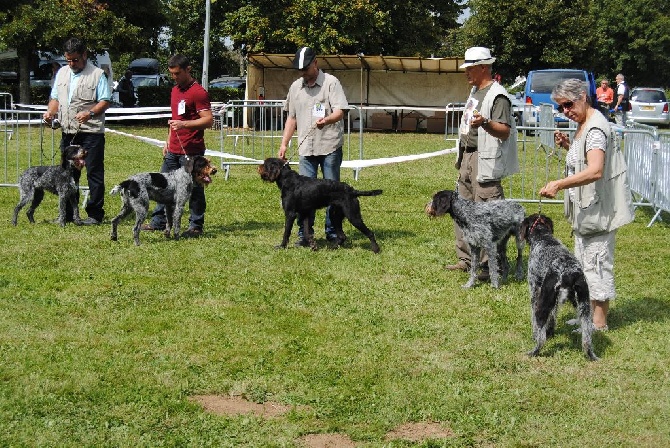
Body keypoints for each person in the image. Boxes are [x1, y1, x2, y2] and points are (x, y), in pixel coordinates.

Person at [539, 78, 635, 331]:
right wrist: (569, 146)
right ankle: (588, 317)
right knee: (585, 263)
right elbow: (587, 157)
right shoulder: (584, 125)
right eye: (560, 108)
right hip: (587, 210)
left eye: (568, 104)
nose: (565, 111)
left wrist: (559, 184)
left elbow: (595, 170)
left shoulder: (594, 129)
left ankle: (599, 323)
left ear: (583, 97)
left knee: (597, 265)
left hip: (598, 209)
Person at [446, 46, 519, 279]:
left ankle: (492, 266)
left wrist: (486, 122)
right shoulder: (475, 91)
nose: (466, 72)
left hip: (484, 159)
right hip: (468, 156)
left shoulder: (498, 95)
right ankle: (467, 259)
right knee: (462, 209)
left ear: (483, 67)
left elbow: (505, 131)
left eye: (470, 68)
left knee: (488, 213)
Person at [278, 46, 349, 246]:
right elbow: (291, 118)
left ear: (315, 63)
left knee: (332, 193)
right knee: (303, 196)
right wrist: (284, 143)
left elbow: (340, 111)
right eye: (300, 70)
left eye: (306, 69)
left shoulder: (331, 83)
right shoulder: (295, 87)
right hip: (305, 150)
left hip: (329, 146)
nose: (303, 73)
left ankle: (333, 233)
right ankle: (305, 235)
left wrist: (326, 120)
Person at [142, 54, 213, 238]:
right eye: (172, 73)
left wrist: (185, 125)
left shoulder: (198, 92)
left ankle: (195, 225)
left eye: (177, 73)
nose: (174, 77)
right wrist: (168, 140)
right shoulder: (174, 91)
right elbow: (175, 120)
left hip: (192, 150)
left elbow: (208, 120)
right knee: (162, 185)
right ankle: (159, 221)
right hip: (173, 149)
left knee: (194, 189)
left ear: (188, 69)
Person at [42, 37, 111, 225]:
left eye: (75, 59)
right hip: (69, 132)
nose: (71, 63)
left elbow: (105, 100)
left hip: (91, 133)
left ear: (84, 55)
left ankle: (95, 214)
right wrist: (50, 113)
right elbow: (55, 98)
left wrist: (90, 112)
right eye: (68, 59)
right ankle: (68, 214)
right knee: (67, 174)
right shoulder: (62, 73)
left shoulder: (97, 74)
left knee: (94, 173)